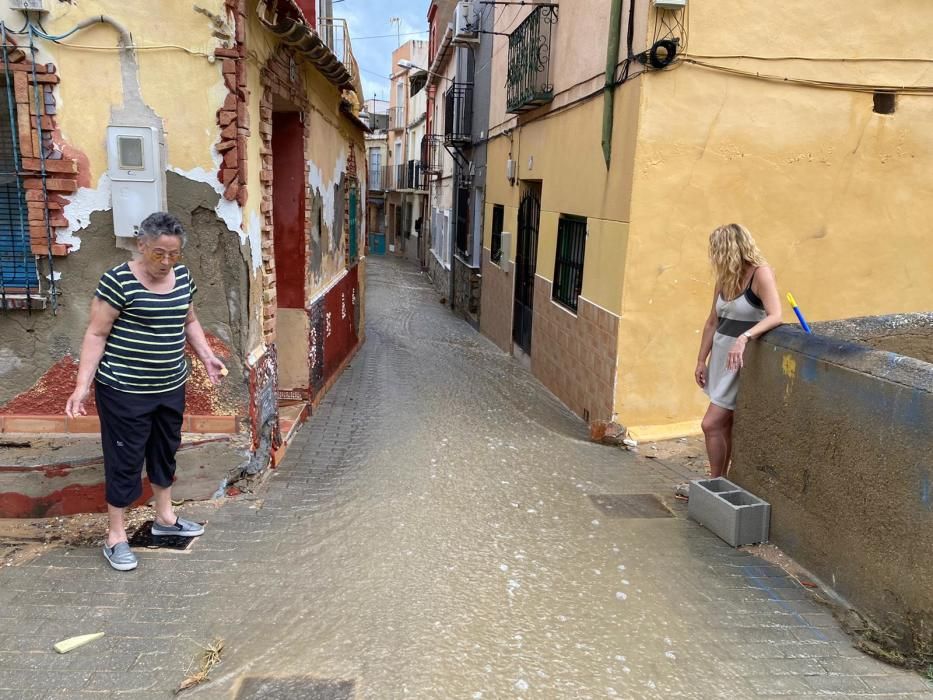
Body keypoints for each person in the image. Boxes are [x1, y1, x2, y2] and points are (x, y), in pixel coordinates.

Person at [65, 212, 226, 571]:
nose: (166, 262)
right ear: (141, 245)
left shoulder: (182, 277)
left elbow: (189, 320)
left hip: (170, 385)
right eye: (159, 253)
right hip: (124, 390)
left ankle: (165, 519)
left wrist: (207, 356)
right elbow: (96, 333)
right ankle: (116, 537)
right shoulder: (118, 281)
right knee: (125, 460)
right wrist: (81, 386)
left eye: (174, 254)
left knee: (164, 452)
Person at [676, 224, 782, 498]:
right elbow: (712, 322)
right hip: (722, 358)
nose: (715, 257)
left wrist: (744, 337)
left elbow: (775, 315)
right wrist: (701, 360)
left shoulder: (761, 274)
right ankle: (722, 482)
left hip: (740, 361)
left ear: (729, 249)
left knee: (710, 423)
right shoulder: (725, 278)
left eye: (717, 251)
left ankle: (714, 482)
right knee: (725, 423)